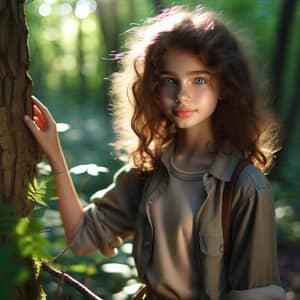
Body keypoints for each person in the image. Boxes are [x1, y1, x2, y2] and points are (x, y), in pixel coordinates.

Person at [24, 5, 286, 300]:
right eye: (169, 81)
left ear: (224, 86)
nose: (182, 95)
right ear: (152, 87)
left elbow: (256, 295)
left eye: (199, 79)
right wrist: (55, 153)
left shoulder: (246, 186)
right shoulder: (148, 172)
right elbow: (82, 237)